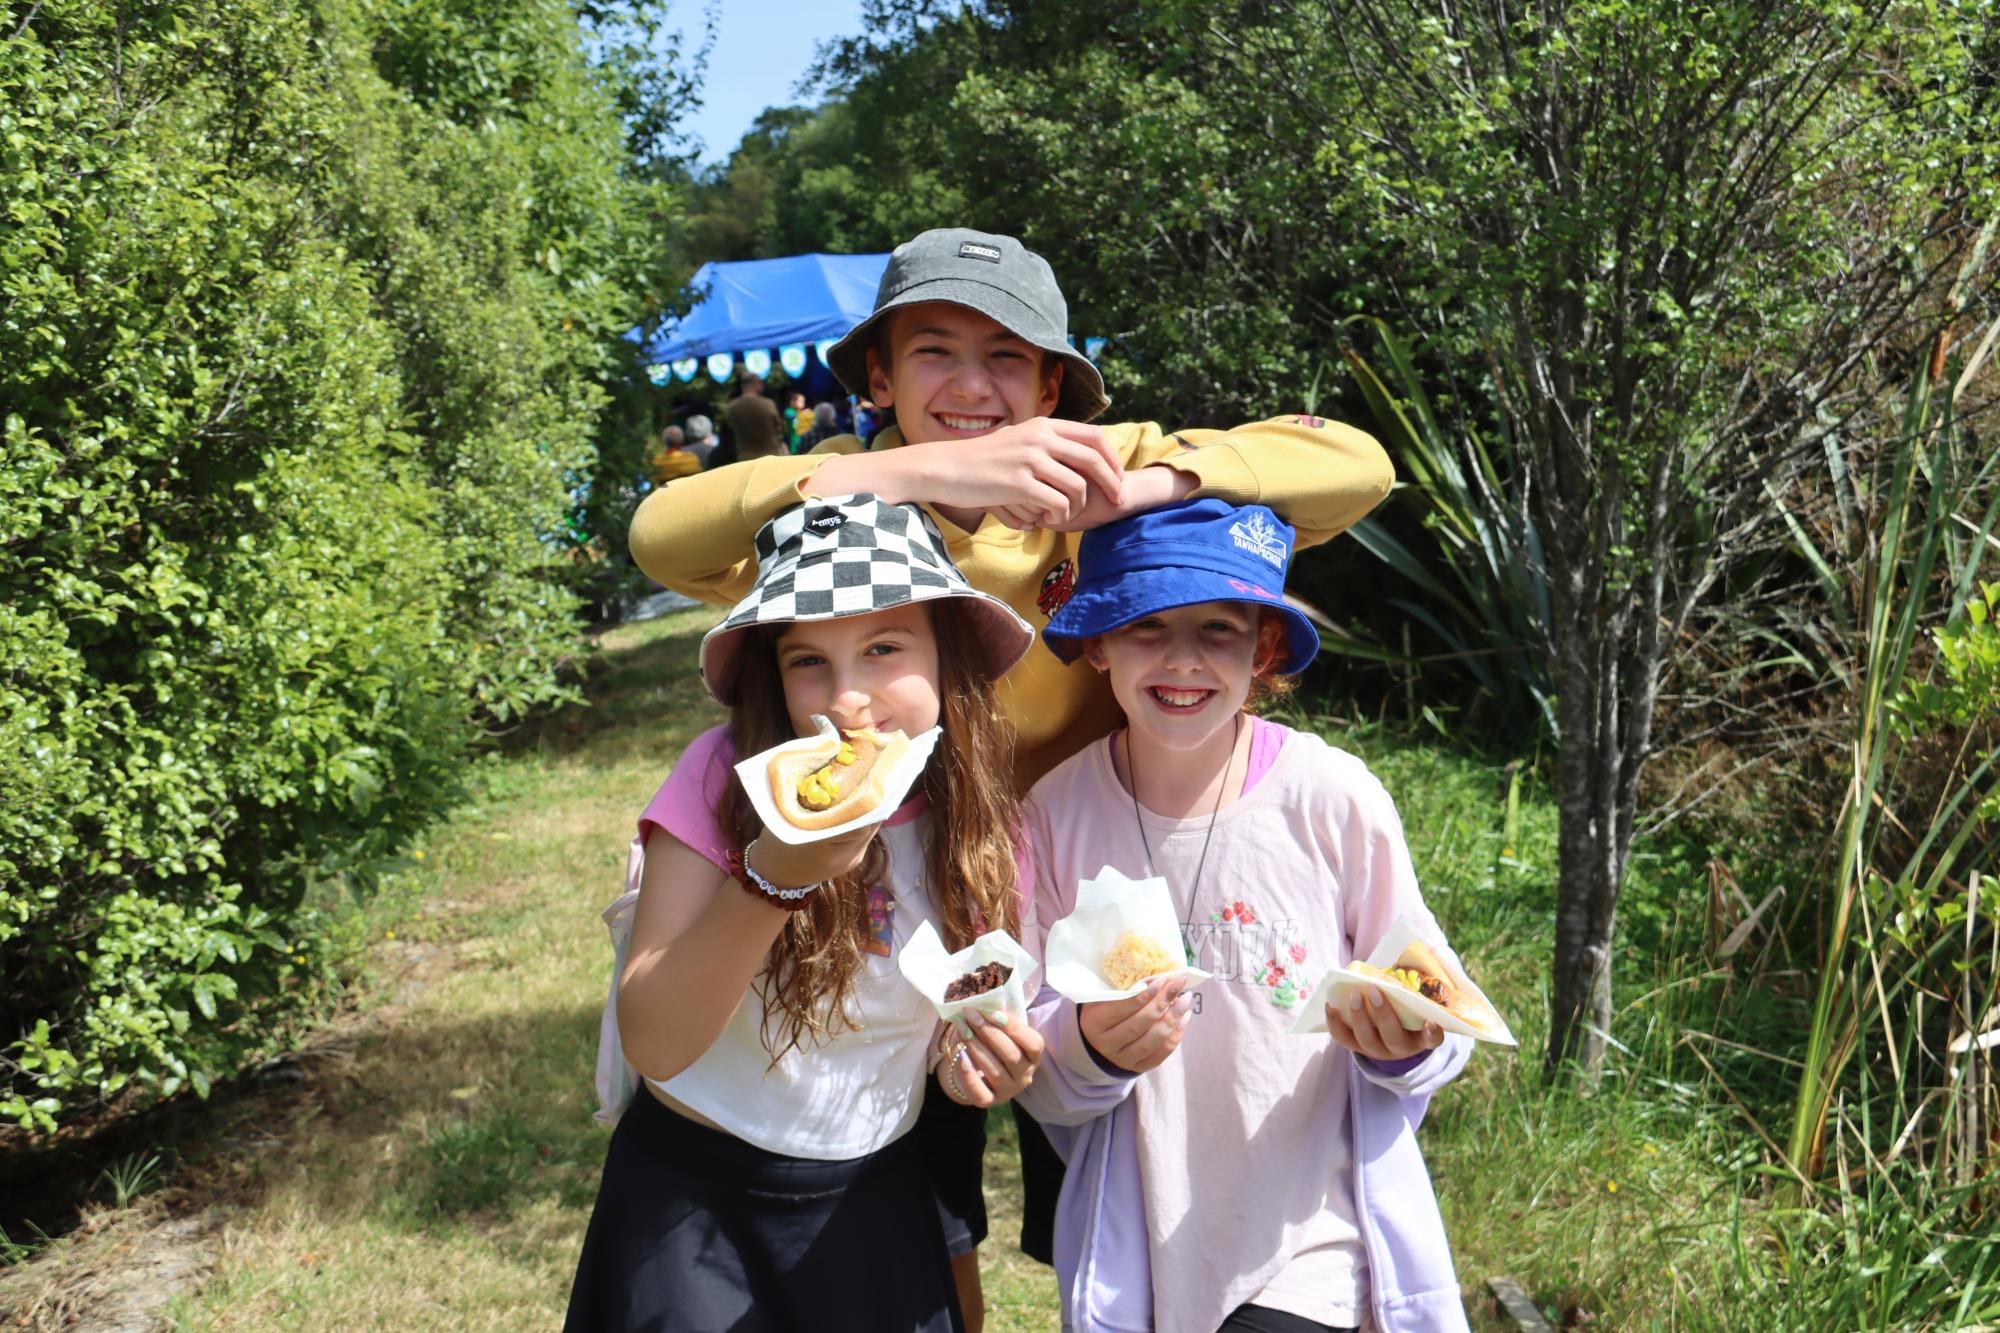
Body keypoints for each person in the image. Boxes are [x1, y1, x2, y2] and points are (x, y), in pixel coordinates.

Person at [624, 226, 1398, 1324]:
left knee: (1126, 1207)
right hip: (904, 900)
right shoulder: (850, 511)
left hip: (1081, 896)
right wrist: (911, 469)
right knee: (926, 1219)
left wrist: (1145, 488)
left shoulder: (1094, 461)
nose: (974, 387)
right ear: (881, 377)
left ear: (1053, 383)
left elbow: (1355, 467)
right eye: (934, 352)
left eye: (1008, 358)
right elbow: (662, 535)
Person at [567, 495, 1047, 1333]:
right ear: (770, 671)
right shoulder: (726, 778)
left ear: (947, 654)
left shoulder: (979, 813)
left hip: (873, 1201)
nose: (848, 699)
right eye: (808, 662)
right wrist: (773, 876)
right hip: (693, 1210)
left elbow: (945, 1026)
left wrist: (970, 1064)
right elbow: (654, 1034)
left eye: (884, 647)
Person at [1017, 498, 1475, 1333]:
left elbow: (1438, 999)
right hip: (1144, 1242)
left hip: (1312, 1234)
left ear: (1264, 647)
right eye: (1148, 626)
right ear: (1097, 641)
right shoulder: (1053, 815)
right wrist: (1086, 1044)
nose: (1183, 660)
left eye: (1219, 629)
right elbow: (1035, 1059)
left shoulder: (1330, 797)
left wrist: (1410, 1043)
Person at [724, 372, 785, 460]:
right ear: (756, 383)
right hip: (770, 455)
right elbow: (778, 427)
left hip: (745, 457)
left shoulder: (731, 407)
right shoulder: (768, 404)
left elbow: (730, 429)